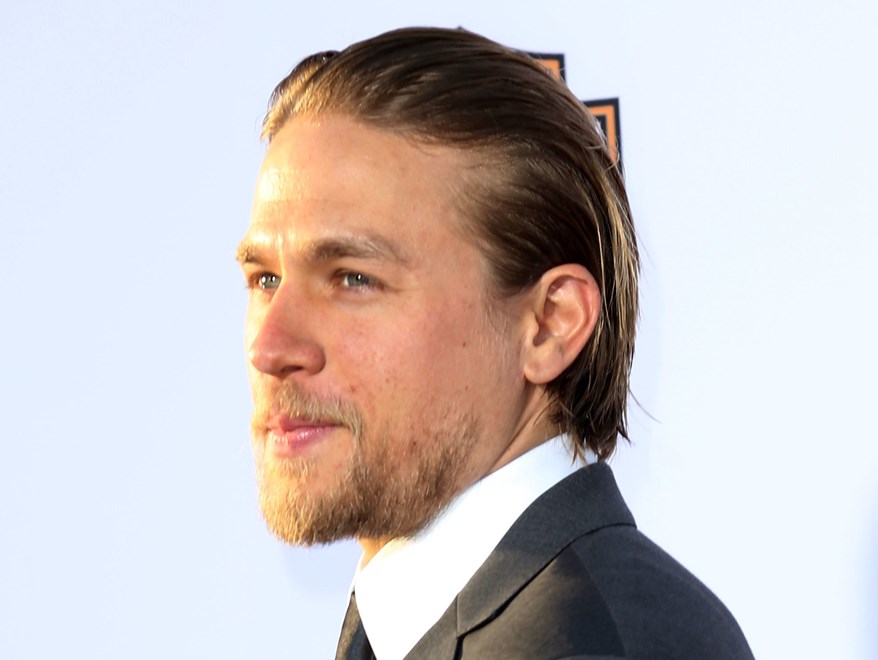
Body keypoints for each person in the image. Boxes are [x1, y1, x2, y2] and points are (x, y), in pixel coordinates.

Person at [236, 27, 753, 660]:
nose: (270, 347)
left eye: (354, 279)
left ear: (550, 324)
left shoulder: (592, 645)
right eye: (265, 279)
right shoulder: (409, 622)